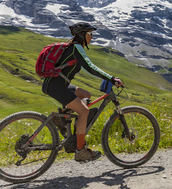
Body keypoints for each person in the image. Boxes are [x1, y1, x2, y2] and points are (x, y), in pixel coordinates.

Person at [42, 22, 123, 162]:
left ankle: (62, 119)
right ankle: (80, 151)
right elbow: (90, 67)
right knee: (84, 112)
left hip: (57, 84)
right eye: (90, 34)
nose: (92, 37)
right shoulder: (76, 48)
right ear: (83, 35)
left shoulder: (73, 47)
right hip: (56, 87)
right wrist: (111, 78)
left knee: (86, 95)